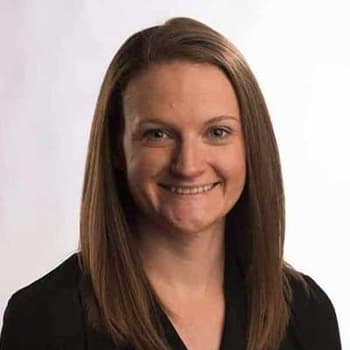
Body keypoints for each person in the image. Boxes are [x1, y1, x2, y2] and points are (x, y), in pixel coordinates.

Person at [0, 17, 342, 350]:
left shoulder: (305, 312)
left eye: (217, 132)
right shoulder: (43, 321)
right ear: (117, 150)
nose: (188, 165)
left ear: (252, 145)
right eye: (157, 134)